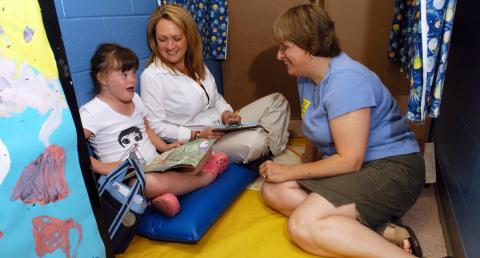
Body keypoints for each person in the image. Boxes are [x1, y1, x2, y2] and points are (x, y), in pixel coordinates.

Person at [259, 4, 425, 258]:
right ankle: (382, 231)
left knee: (303, 225)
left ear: (311, 47)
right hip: (358, 169)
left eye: (285, 47)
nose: (279, 56)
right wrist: (298, 172)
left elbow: (350, 160)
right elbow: (315, 130)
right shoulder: (306, 76)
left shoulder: (346, 80)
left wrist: (290, 171)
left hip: (393, 169)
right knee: (273, 190)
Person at [80, 43, 226, 217]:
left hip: (156, 165)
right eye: (124, 74)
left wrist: (165, 147)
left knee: (204, 147)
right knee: (149, 183)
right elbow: (73, 151)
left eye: (133, 72)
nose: (132, 79)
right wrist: (104, 167)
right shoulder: (91, 112)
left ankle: (161, 197)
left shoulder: (136, 99)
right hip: (128, 179)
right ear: (103, 79)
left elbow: (147, 129)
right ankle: (205, 178)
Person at [141, 4, 291, 164]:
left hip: (222, 127)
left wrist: (227, 113)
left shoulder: (197, 64)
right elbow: (155, 126)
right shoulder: (152, 76)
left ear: (188, 37)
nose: (170, 46)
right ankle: (270, 147)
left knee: (278, 101)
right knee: (256, 140)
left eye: (177, 38)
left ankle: (271, 149)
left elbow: (216, 98)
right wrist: (197, 134)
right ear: (154, 41)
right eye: (162, 40)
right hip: (199, 141)